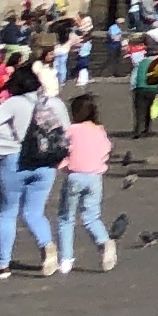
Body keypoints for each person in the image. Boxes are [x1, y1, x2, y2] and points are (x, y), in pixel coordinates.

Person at [0, 64, 65, 278]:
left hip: (16, 161)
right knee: (34, 212)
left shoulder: (14, 103)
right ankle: (47, 246)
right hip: (46, 162)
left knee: (7, 212)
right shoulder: (54, 103)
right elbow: (66, 132)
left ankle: (3, 265)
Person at [50, 88, 116, 272]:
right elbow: (106, 149)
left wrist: (62, 164)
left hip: (75, 176)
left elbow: (63, 149)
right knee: (91, 216)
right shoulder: (99, 131)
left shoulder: (71, 130)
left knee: (66, 218)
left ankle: (66, 259)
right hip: (95, 177)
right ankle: (104, 242)